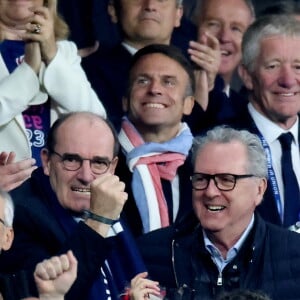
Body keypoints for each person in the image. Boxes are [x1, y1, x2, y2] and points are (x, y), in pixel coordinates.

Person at [137, 126, 300, 300]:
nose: (210, 192)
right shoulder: (148, 254)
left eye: (226, 180)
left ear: (259, 189)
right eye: (201, 179)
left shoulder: (295, 253)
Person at [0, 112, 147, 300]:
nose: (86, 176)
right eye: (71, 160)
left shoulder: (111, 201)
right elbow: (48, 292)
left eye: (99, 163)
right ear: (47, 161)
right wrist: (98, 221)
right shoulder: (19, 213)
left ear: (112, 167)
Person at [0, 0, 106, 168]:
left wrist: (51, 54)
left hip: (58, 181)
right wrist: (28, 70)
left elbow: (95, 122)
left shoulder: (64, 52)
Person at [82, 0, 218, 130]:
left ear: (178, 14)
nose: (150, 5)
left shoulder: (198, 76)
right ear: (113, 10)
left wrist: (207, 88)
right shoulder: (84, 74)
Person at [116, 44, 195, 237]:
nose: (154, 89)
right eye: (143, 81)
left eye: (169, 82)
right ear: (125, 100)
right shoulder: (101, 160)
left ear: (188, 104)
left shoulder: (206, 163)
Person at [233, 14, 300, 227]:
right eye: (273, 66)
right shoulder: (221, 142)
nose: (288, 81)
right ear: (246, 75)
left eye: (298, 66)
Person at [186, 0, 255, 134]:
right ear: (192, 29)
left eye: (236, 28)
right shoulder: (169, 95)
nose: (224, 37)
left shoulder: (247, 110)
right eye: (213, 24)